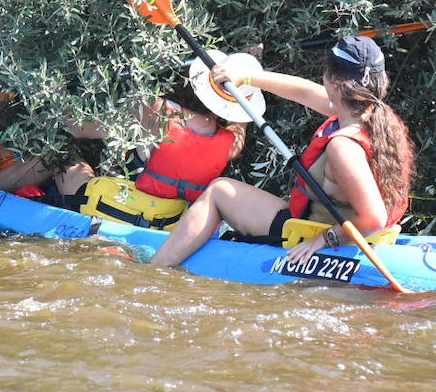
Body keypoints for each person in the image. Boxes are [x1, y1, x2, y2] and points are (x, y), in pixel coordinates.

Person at [149, 35, 416, 268]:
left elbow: (374, 218)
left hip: (310, 232)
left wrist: (322, 240)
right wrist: (245, 77)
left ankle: (156, 269)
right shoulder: (378, 118)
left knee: (218, 190)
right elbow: (304, 92)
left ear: (334, 85)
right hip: (354, 231)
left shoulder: (344, 146)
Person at [0, 57, 256, 215]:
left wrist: (46, 108)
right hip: (168, 221)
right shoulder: (230, 142)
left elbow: (78, 128)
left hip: (115, 212)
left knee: (60, 153)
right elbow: (239, 125)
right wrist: (247, 88)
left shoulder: (156, 109)